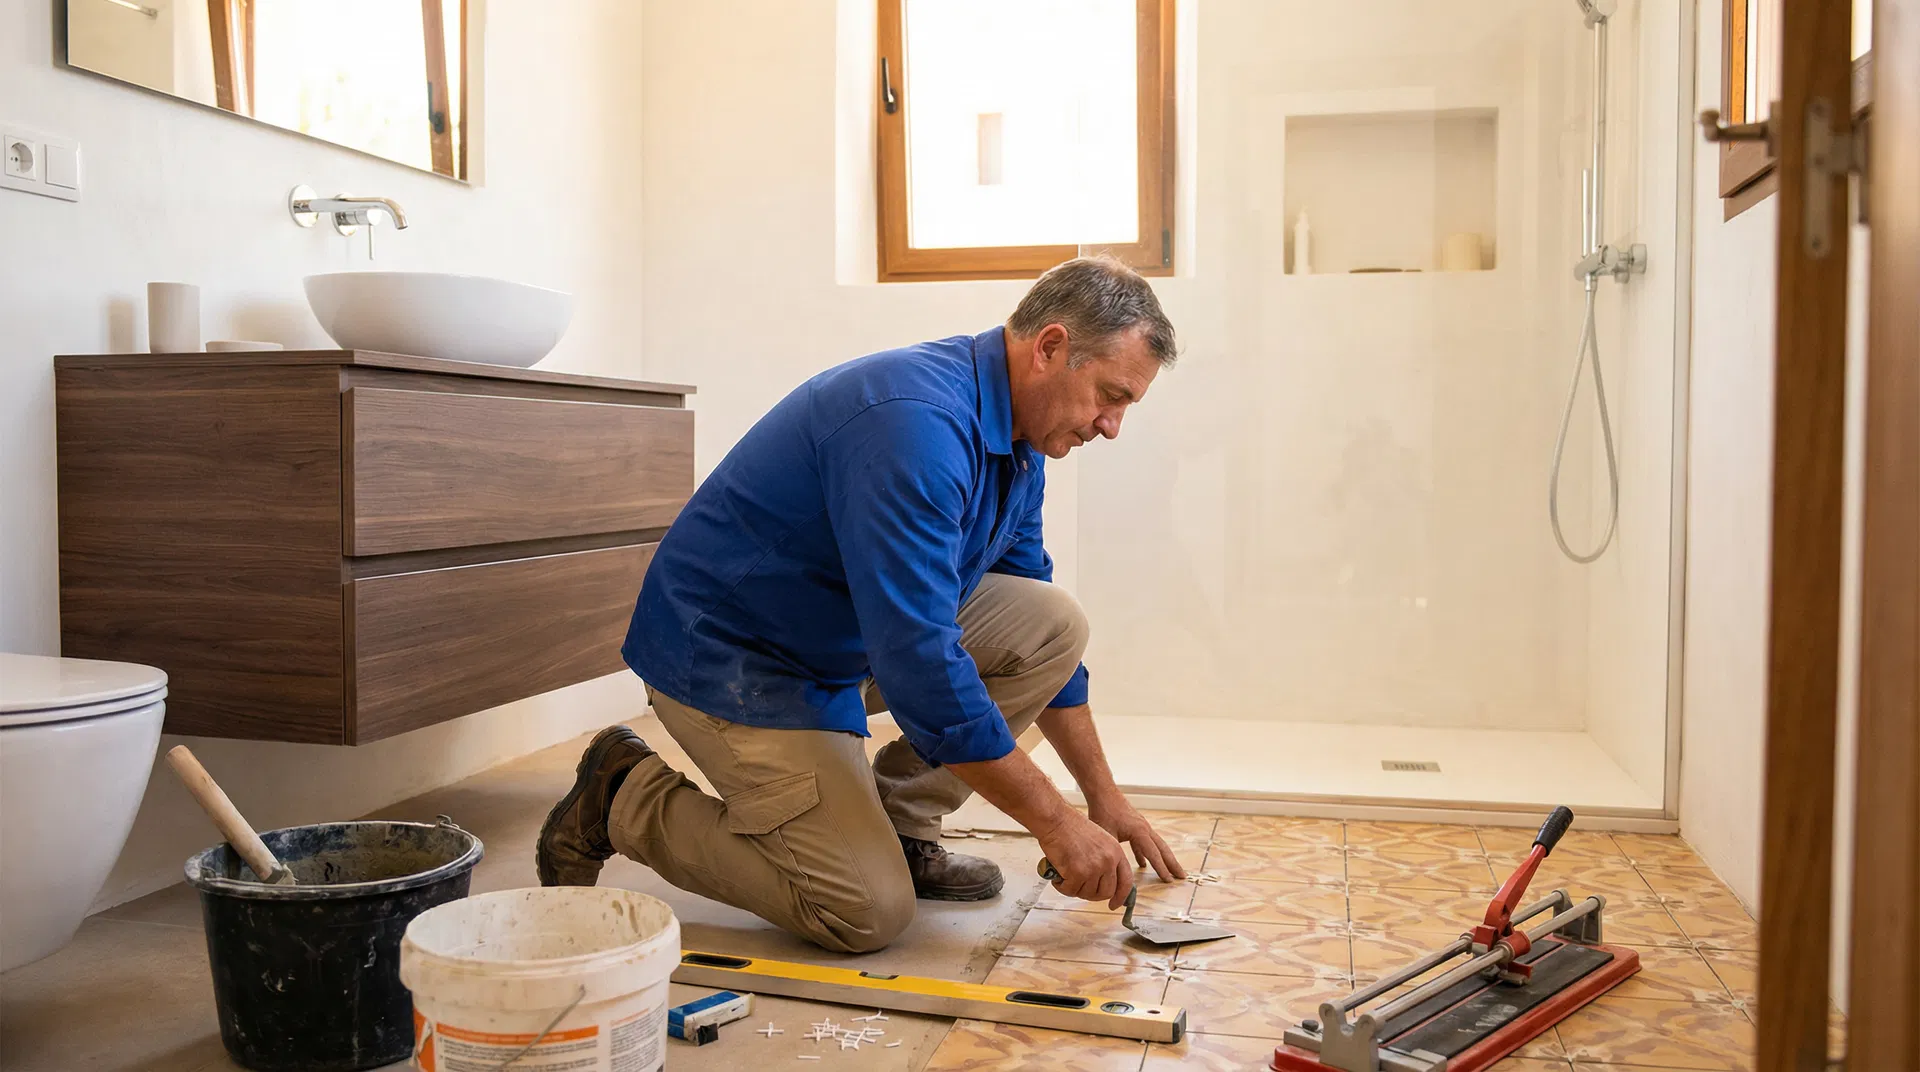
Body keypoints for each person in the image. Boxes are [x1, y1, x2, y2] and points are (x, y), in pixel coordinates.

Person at [536, 256, 1186, 953]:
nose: (1111, 426)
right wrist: (1055, 823)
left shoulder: (1020, 444)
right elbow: (923, 670)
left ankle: (902, 828)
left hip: (838, 639)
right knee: (864, 913)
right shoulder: (917, 428)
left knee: (1056, 625)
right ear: (1050, 347)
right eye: (1110, 396)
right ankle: (623, 795)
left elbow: (1036, 631)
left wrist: (1102, 797)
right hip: (737, 661)